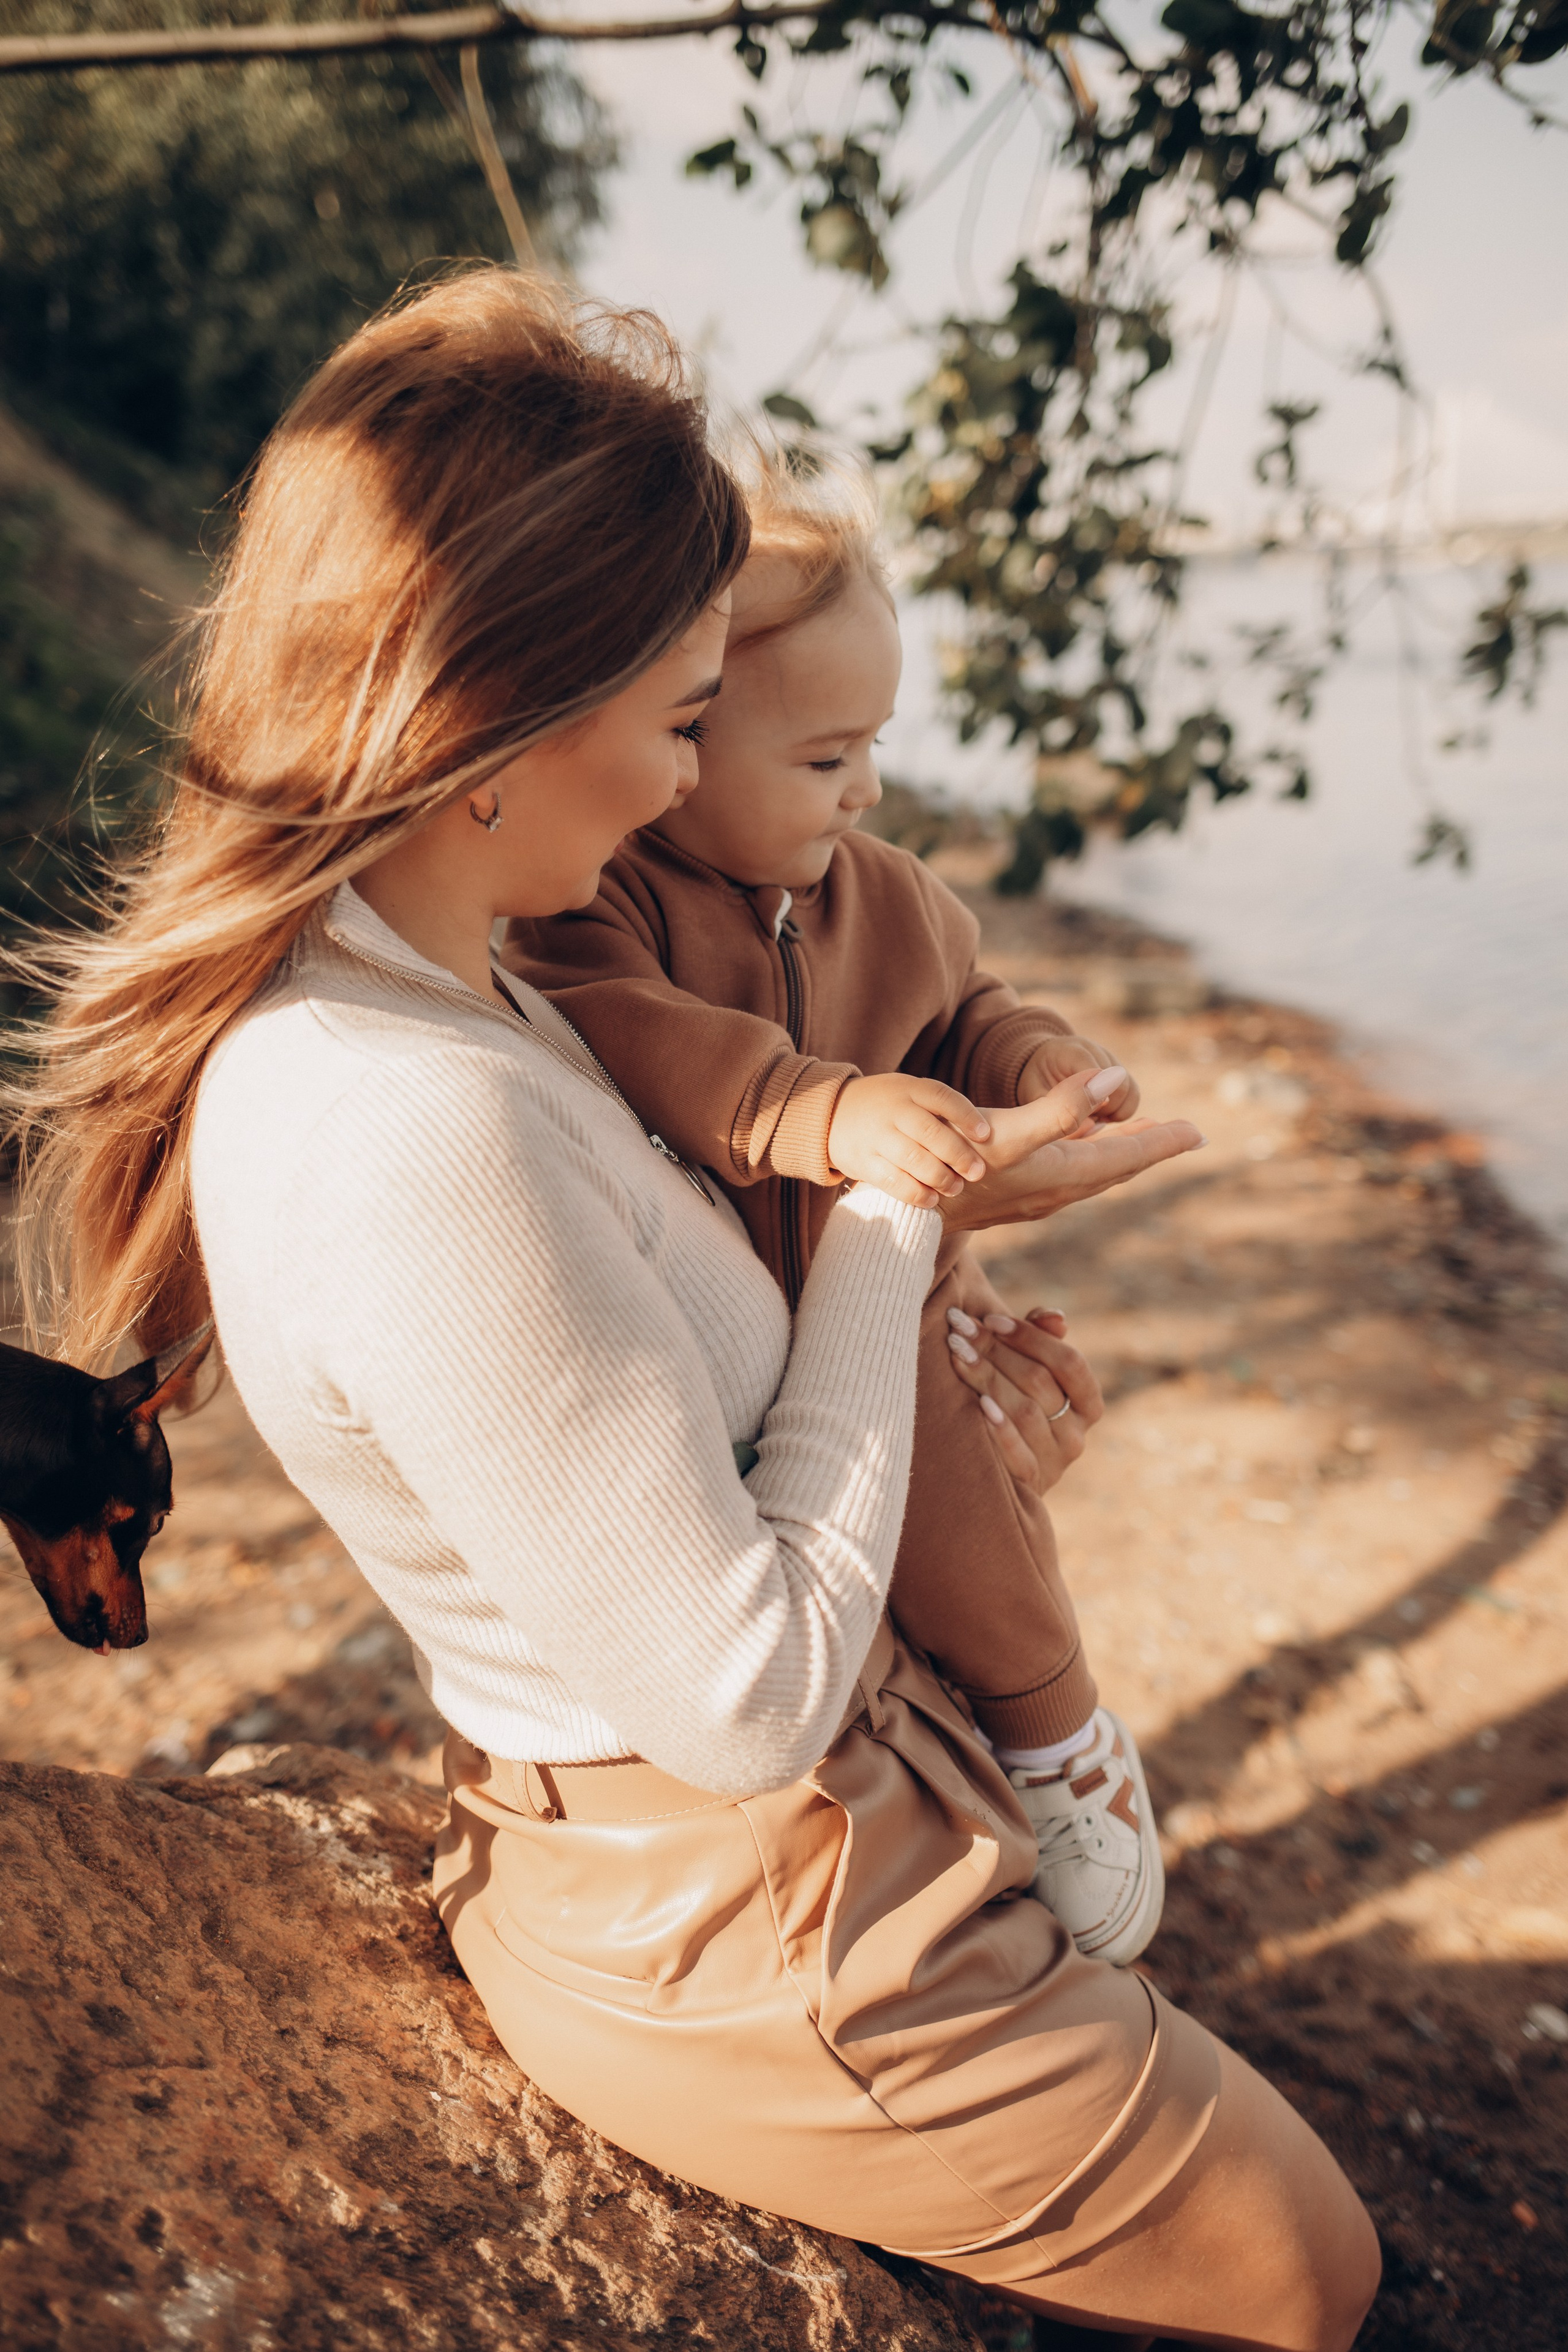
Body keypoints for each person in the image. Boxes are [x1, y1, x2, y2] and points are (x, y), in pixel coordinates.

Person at [8, 268, 1379, 2350]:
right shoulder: (406, 1118)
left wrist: (937, 1402)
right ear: (495, 725)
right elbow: (737, 1696)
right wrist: (899, 1213)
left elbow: (664, 1418)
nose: (680, 788)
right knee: (1313, 2270)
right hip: (759, 1914)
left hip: (839, 1840)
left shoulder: (465, 1001)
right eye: (670, 719)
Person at [505, 448, 1163, 1966]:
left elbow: (972, 1016)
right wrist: (819, 1110)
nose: (863, 790)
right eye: (820, 759)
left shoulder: (891, 895)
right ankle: (1016, 1743)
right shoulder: (601, 895)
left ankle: (1058, 1736)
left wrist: (1049, 1067)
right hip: (726, 1313)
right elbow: (625, 1025)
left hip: (876, 1317)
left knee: (969, 1499)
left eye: (872, 747)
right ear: (678, 731)